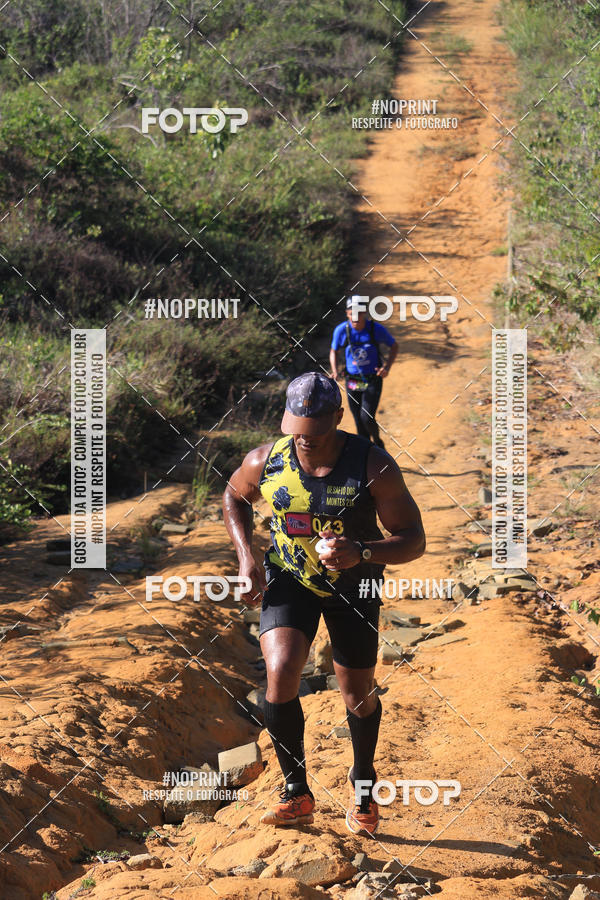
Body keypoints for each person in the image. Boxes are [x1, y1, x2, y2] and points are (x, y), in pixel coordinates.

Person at [222, 372, 425, 835]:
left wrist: (363, 551)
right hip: (289, 578)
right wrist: (246, 556)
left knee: (356, 693)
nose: (304, 439)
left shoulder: (372, 466)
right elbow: (234, 495)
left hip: (355, 586)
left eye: (315, 428)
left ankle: (364, 786)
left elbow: (414, 540)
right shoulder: (265, 461)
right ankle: (297, 793)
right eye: (295, 427)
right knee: (280, 671)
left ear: (338, 416)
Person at [329, 297, 398, 448]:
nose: (355, 316)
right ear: (347, 313)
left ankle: (378, 445)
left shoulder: (375, 329)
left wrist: (386, 367)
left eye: (359, 312)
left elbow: (394, 345)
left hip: (372, 380)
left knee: (366, 416)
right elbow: (334, 350)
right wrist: (334, 371)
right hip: (353, 381)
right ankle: (368, 455)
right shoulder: (342, 330)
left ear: (364, 313)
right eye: (351, 312)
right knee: (359, 422)